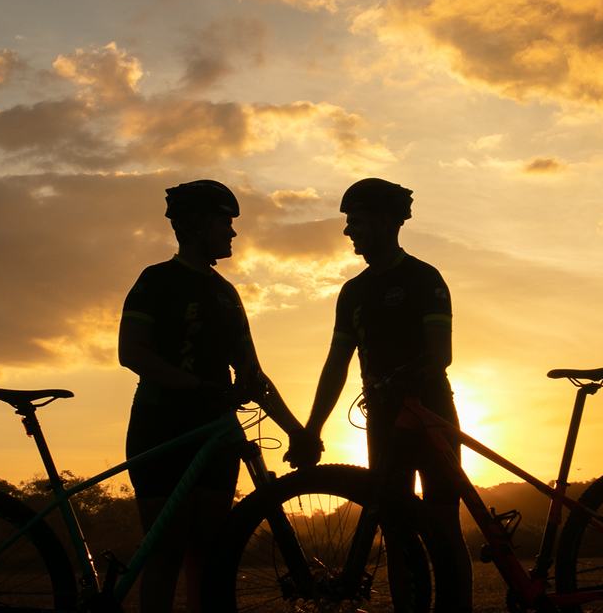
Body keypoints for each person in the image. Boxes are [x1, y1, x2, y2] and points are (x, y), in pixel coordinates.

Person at [285, 178, 473, 611]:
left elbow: (439, 354)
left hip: (431, 413)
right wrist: (311, 428)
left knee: (445, 524)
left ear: (388, 222)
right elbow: (336, 365)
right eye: (349, 222)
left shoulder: (424, 278)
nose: (349, 230)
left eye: (358, 221)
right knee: (394, 530)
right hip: (384, 422)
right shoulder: (353, 292)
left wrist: (407, 378)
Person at [119, 179, 302, 613]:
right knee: (165, 553)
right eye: (225, 223)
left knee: (210, 555)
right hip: (161, 426)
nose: (233, 233)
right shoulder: (157, 279)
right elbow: (132, 352)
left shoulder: (226, 293)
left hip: (216, 433)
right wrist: (197, 386)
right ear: (197, 226)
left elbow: (253, 375)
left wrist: (298, 431)